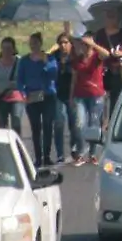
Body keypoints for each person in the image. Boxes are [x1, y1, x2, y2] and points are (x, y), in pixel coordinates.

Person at [17, 32, 58, 165]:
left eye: (36, 43)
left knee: (47, 125)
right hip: (32, 96)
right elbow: (20, 79)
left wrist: (45, 62)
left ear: (40, 44)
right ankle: (38, 157)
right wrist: (22, 93)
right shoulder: (24, 60)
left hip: (48, 95)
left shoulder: (49, 58)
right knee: (35, 127)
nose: (33, 45)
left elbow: (53, 74)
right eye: (31, 43)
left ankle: (46, 156)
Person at [89, 6, 122, 117]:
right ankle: (102, 121)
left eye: (113, 17)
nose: (111, 19)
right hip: (103, 69)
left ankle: (114, 118)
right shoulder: (100, 34)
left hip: (118, 70)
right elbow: (95, 49)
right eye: (108, 17)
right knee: (102, 99)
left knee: (116, 97)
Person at [66, 36, 107, 163]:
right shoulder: (77, 60)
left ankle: (93, 153)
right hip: (80, 96)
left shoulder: (96, 57)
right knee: (79, 124)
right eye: (84, 45)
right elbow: (74, 79)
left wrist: (93, 44)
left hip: (96, 96)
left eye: (87, 45)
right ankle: (80, 150)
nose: (85, 48)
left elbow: (106, 54)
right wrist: (71, 97)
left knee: (93, 125)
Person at [0, 37, 24, 133]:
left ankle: (17, 143)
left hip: (16, 97)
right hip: (1, 98)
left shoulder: (20, 62)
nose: (6, 51)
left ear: (14, 49)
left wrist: (15, 85)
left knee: (16, 122)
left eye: (9, 48)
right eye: (4, 48)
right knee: (2, 126)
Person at [50, 33, 76, 162]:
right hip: (58, 94)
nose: (63, 45)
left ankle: (74, 151)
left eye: (66, 43)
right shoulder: (54, 57)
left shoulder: (75, 57)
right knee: (59, 123)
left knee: (74, 124)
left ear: (71, 44)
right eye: (60, 43)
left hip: (73, 95)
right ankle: (60, 154)